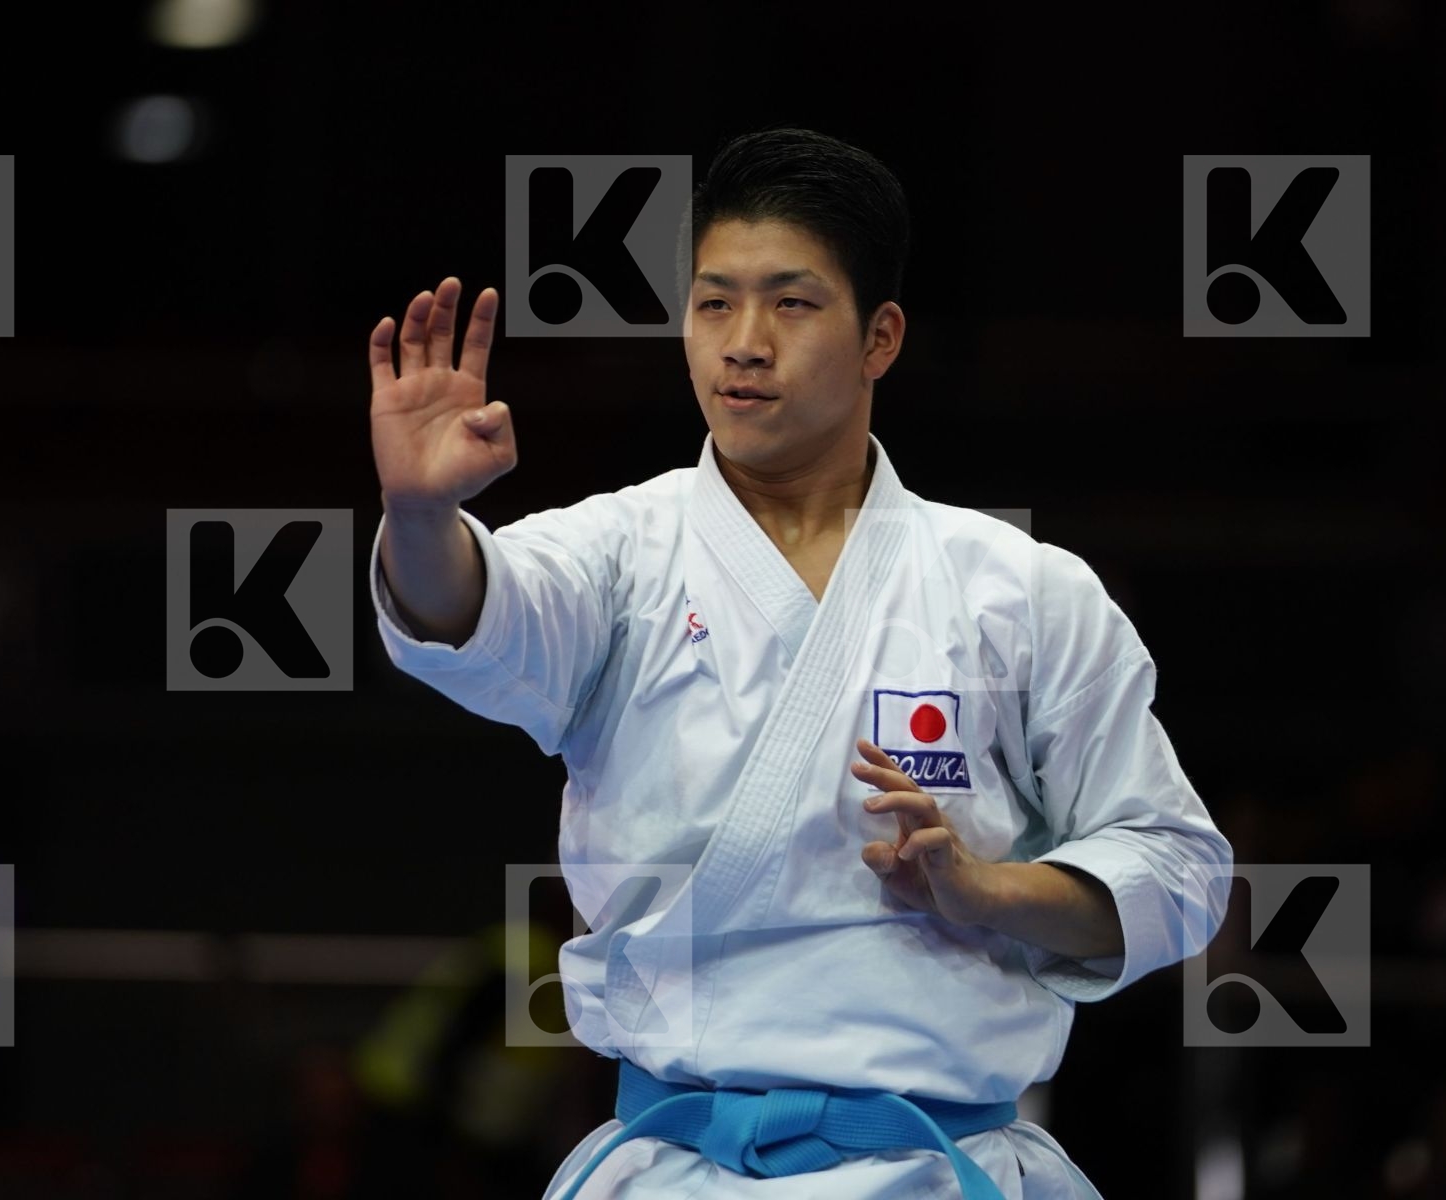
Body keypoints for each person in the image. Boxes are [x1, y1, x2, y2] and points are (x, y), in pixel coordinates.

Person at [365, 127, 1233, 1199]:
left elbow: (1182, 872)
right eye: (715, 302)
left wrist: (988, 889)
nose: (743, 342)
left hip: (936, 1163)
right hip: (675, 1168)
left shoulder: (1022, 589)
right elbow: (474, 612)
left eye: (792, 302)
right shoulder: (619, 553)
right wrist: (417, 514)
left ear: (882, 337)